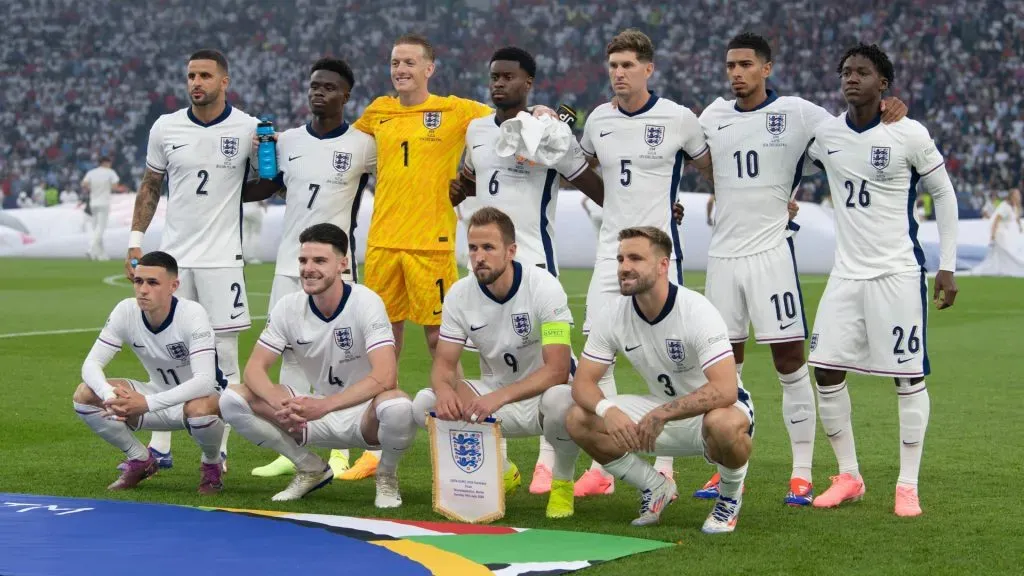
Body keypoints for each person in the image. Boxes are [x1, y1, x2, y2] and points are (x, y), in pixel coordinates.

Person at [695, 32, 906, 505]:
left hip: (771, 257)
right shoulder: (713, 115)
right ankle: (727, 466)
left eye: (746, 64)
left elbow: (852, 131)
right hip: (722, 260)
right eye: (730, 65)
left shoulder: (798, 112)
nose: (736, 73)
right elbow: (699, 159)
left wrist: (893, 110)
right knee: (722, 371)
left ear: (766, 69)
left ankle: (802, 471)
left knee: (791, 365)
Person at [347, 34, 553, 480]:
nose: (400, 69)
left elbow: (508, 117)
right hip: (382, 244)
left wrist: (544, 112)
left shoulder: (459, 111)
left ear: (429, 68)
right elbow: (339, 149)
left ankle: (479, 443)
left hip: (433, 245)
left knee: (443, 344)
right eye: (395, 61)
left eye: (409, 62)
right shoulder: (376, 112)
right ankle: (379, 439)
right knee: (382, 346)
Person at [804, 43, 959, 517]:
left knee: (908, 377)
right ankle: (849, 475)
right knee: (825, 369)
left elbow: (944, 195)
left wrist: (947, 266)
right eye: (846, 72)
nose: (852, 78)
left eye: (862, 72)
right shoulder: (826, 134)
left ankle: (907, 485)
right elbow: (787, 163)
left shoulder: (908, 133)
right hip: (846, 275)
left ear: (883, 84)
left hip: (896, 272)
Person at [447, 46, 603, 494]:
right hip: (482, 268)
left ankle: (553, 464)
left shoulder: (549, 130)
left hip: (533, 263)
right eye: (494, 76)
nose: (498, 84)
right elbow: (475, 183)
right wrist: (461, 190)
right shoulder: (476, 131)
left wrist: (558, 140)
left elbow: (593, 186)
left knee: (554, 369)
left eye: (508, 77)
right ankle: (503, 465)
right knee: (490, 360)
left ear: (528, 82)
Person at [574, 28, 713, 496]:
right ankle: (611, 459)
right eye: (613, 65)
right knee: (597, 347)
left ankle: (668, 464)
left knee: (671, 357)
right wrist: (552, 118)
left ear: (648, 68)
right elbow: (584, 168)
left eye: (628, 65)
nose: (618, 73)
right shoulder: (596, 119)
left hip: (658, 256)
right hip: (609, 255)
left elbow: (710, 166)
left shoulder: (678, 118)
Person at [566, 226, 754, 533]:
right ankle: (655, 487)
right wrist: (608, 411)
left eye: (636, 258)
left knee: (723, 424)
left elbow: (725, 389)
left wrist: (662, 413)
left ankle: (729, 499)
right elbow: (582, 384)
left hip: (711, 416)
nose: (624, 267)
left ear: (663, 265)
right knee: (577, 418)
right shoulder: (613, 313)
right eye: (621, 258)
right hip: (659, 411)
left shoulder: (696, 310)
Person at [123, 49, 259, 469]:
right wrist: (134, 240)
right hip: (174, 260)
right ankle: (161, 444)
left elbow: (268, 183)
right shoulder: (166, 127)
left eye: (204, 75)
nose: (195, 82)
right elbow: (150, 185)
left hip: (222, 260)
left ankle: (219, 451)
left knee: (225, 354)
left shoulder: (249, 128)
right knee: (168, 350)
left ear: (224, 81)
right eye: (190, 76)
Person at [243, 57, 377, 479]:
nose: (319, 92)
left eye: (329, 87)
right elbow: (264, 187)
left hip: (338, 268)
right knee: (290, 355)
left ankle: (340, 449)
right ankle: (294, 445)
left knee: (343, 356)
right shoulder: (287, 142)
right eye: (314, 85)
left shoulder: (363, 145)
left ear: (346, 95)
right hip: (290, 265)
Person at [219, 223, 414, 506]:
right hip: (313, 414)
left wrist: (324, 406)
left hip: (365, 417)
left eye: (320, 261)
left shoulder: (366, 302)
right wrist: (279, 403)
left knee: (398, 405)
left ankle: (386, 474)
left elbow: (385, 376)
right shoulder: (288, 306)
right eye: (303, 260)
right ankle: (309, 467)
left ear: (342, 265)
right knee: (232, 399)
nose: (308, 268)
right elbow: (254, 369)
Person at [413, 207, 580, 518]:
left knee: (564, 401)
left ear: (511, 251)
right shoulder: (459, 294)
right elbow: (445, 363)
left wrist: (497, 397)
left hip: (542, 397)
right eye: (473, 248)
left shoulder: (543, 286)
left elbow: (557, 370)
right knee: (426, 402)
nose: (479, 257)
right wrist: (444, 389)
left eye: (488, 248)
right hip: (494, 395)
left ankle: (562, 483)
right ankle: (502, 471)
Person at [73, 251, 227, 493]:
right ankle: (140, 459)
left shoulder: (192, 314)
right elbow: (90, 364)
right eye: (138, 281)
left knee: (199, 409)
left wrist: (147, 403)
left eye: (153, 283)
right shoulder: (126, 310)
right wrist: (108, 394)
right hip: (155, 396)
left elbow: (205, 382)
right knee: (85, 393)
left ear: (173, 286)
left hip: (200, 403)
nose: (143, 290)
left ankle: (211, 463)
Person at [81, 157, 126, 261]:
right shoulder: (110, 172)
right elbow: (115, 187)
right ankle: (91, 249)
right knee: (100, 228)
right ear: (106, 163)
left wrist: (93, 189)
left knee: (96, 228)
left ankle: (101, 255)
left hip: (93, 202)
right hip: (104, 202)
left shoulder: (91, 172)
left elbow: (84, 184)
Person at [241, 200, 266, 264]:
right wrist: (264, 205)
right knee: (255, 234)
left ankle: (244, 256)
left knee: (245, 235)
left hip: (244, 210)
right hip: (254, 209)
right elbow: (258, 196)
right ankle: (252, 257)